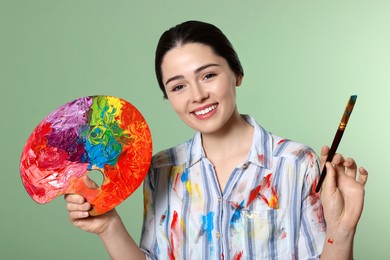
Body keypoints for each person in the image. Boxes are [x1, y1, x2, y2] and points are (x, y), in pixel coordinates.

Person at [65, 20, 368, 259]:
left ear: (237, 73)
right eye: (178, 86)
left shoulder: (297, 164)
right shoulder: (160, 170)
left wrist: (341, 232)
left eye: (208, 75)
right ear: (168, 97)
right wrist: (109, 227)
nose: (197, 96)